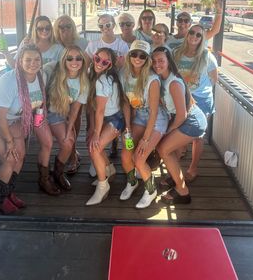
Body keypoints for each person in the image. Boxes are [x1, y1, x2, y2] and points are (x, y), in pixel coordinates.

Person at [0, 44, 51, 214]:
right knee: (10, 158)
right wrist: (10, 142)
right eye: (28, 59)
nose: (33, 63)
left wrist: (37, 121)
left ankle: (9, 193)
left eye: (37, 59)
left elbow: (39, 103)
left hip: (11, 120)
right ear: (19, 61)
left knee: (20, 156)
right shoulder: (8, 81)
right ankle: (1, 200)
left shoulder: (40, 76)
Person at [152, 47, 207, 204]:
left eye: (161, 60)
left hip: (191, 121)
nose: (157, 64)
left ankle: (183, 192)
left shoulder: (174, 82)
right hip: (182, 118)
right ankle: (174, 177)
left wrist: (167, 131)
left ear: (169, 61)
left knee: (163, 148)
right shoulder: (161, 78)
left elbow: (182, 114)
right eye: (154, 61)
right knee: (169, 150)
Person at [119, 40, 169, 209]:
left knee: (139, 157)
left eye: (142, 55)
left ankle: (151, 189)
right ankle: (132, 182)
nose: (137, 58)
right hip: (138, 116)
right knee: (126, 154)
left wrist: (146, 139)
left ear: (147, 58)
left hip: (155, 119)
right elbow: (126, 103)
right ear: (129, 55)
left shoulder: (152, 79)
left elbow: (154, 112)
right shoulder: (124, 74)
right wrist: (127, 127)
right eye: (134, 54)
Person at [173, 24, 218, 181]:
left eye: (199, 35)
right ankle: (175, 168)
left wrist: (197, 91)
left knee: (198, 136)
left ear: (202, 38)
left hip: (202, 100)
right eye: (192, 32)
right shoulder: (177, 53)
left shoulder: (207, 56)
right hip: (182, 98)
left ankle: (193, 168)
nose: (194, 36)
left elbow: (214, 79)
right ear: (187, 34)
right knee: (179, 132)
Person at [86, 48, 129, 205]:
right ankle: (108, 170)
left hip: (114, 119)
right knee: (95, 146)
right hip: (111, 116)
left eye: (105, 62)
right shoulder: (101, 74)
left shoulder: (102, 80)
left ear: (110, 64)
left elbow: (100, 110)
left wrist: (96, 133)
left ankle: (103, 185)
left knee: (94, 147)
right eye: (97, 59)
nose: (99, 63)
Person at [44, 45, 89, 187]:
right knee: (50, 145)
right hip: (45, 113)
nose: (74, 61)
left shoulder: (84, 81)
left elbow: (75, 109)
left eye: (78, 58)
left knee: (69, 141)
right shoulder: (51, 69)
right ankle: (44, 178)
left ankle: (58, 173)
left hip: (61, 115)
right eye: (69, 58)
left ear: (83, 61)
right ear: (64, 60)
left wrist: (69, 129)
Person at [54, 15, 88, 172]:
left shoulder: (82, 43)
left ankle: (73, 154)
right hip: (58, 91)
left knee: (74, 120)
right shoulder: (54, 44)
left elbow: (89, 62)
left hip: (77, 87)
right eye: (61, 27)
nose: (65, 29)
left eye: (68, 26)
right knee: (61, 123)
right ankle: (68, 152)